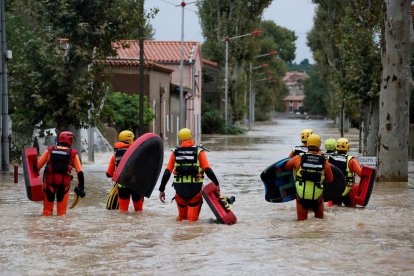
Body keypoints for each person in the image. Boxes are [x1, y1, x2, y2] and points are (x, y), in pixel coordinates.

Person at [158, 128, 220, 222]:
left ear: (180, 139)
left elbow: (167, 172)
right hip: (194, 191)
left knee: (182, 220)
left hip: (179, 191)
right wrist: (216, 184)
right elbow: (207, 170)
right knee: (192, 222)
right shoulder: (199, 152)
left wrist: (161, 189)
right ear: (191, 137)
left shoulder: (175, 152)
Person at [284, 134, 333, 221]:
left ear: (307, 144)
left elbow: (287, 166)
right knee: (320, 223)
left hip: (301, 197)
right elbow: (330, 179)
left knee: (301, 223)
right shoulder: (324, 161)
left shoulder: (299, 158)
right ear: (319, 145)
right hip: (317, 197)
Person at [36, 131, 85, 216]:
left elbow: (37, 167)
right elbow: (80, 172)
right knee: (61, 214)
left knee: (47, 212)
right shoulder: (73, 154)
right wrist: (81, 187)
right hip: (64, 187)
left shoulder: (49, 150)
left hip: (48, 185)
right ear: (71, 140)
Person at [106, 130, 144, 213]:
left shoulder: (116, 154)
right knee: (139, 212)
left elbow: (108, 173)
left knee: (123, 212)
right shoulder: (138, 152)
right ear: (131, 139)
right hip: (136, 186)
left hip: (122, 185)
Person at [328, 137, 362, 207]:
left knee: (335, 208)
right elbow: (360, 174)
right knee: (350, 209)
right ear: (347, 147)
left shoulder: (329, 158)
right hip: (348, 190)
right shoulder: (351, 160)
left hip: (334, 190)